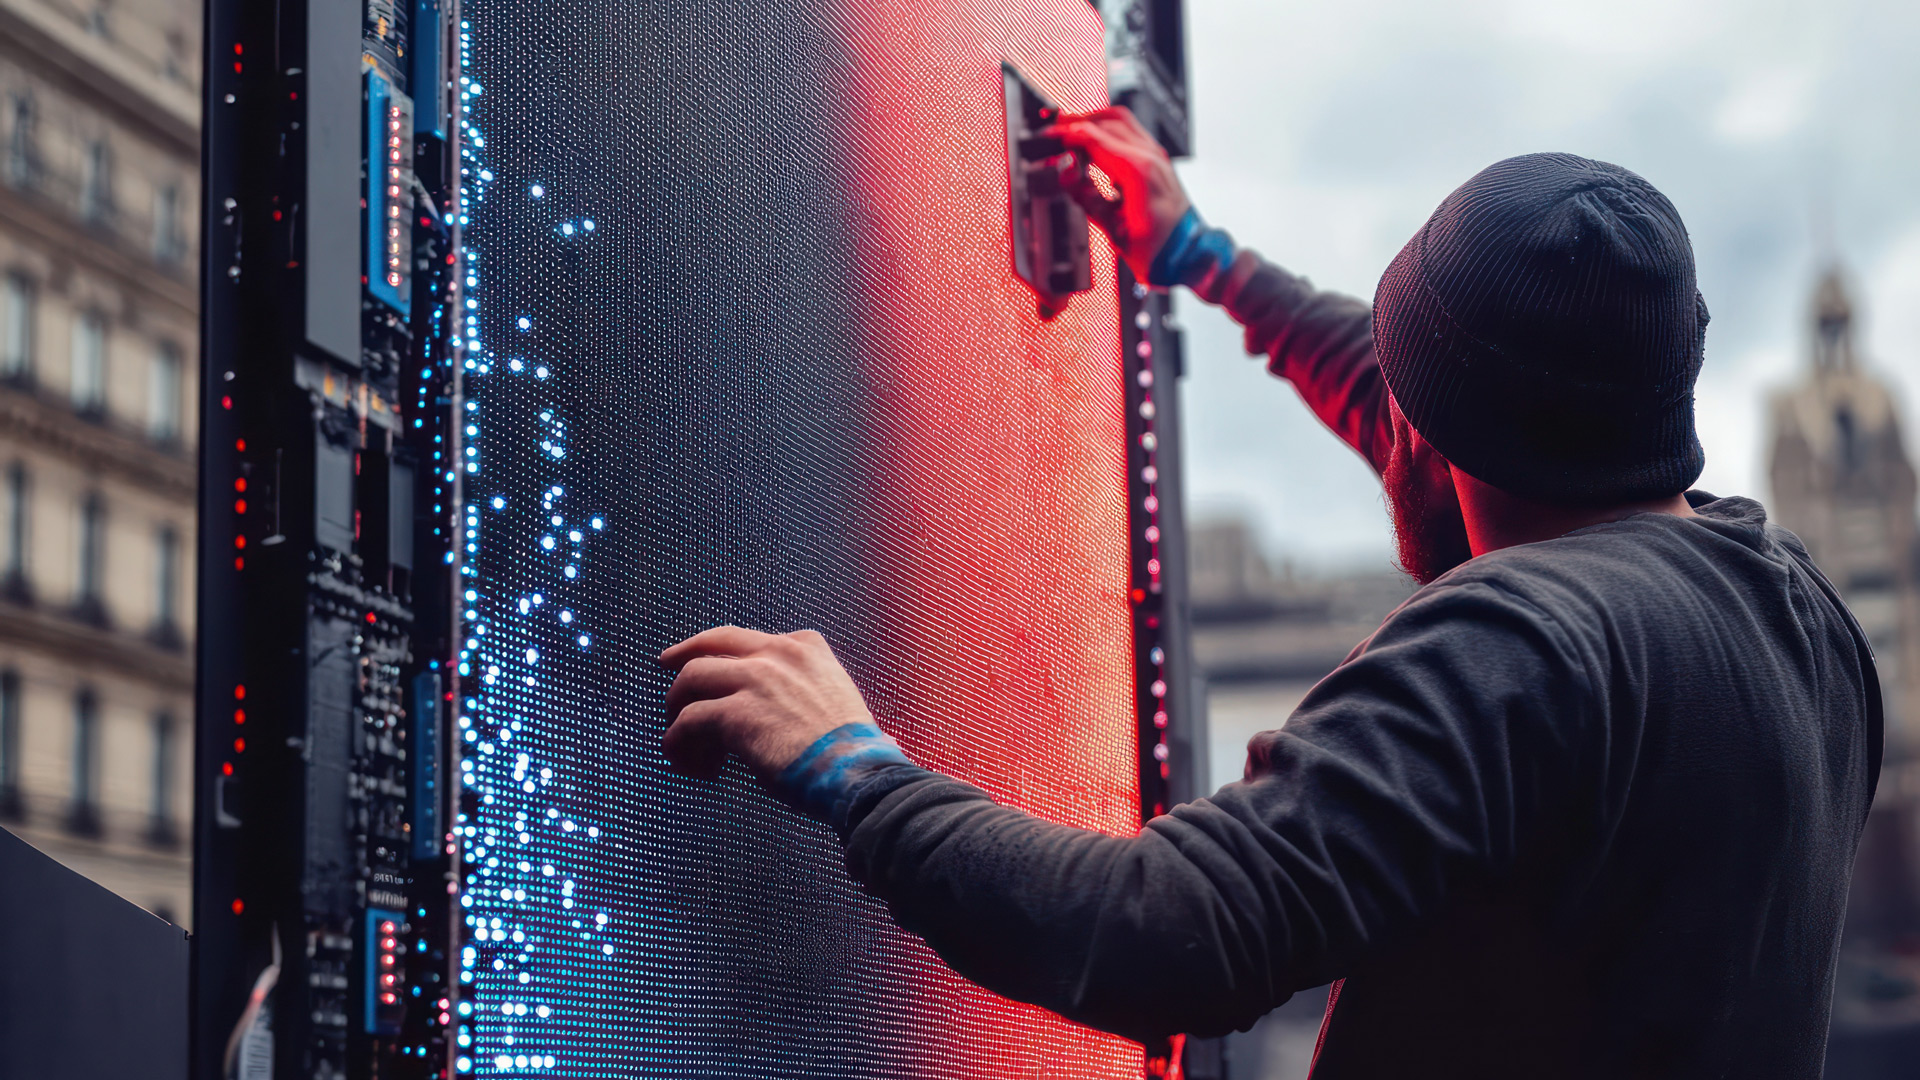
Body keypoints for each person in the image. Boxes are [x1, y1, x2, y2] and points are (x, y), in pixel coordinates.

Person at [656, 108, 1882, 1078]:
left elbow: (1170, 931)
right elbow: (1426, 392)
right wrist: (1207, 258)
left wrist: (851, 768)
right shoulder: (1796, 615)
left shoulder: (1517, 652)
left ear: (1439, 431)